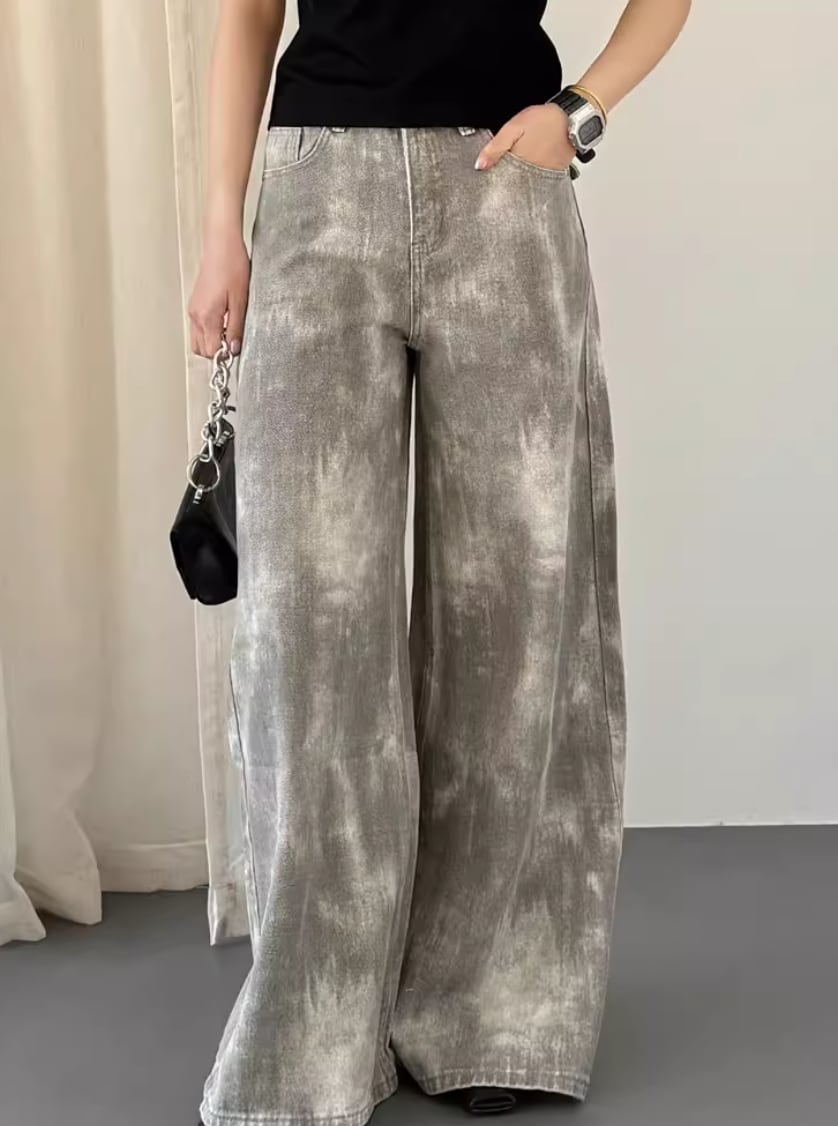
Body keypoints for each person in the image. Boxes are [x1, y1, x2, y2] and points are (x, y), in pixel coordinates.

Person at [188, 2, 691, 1124]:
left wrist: (581, 109)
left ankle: (493, 1009)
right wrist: (223, 224)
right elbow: (248, 16)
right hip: (317, 193)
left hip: (504, 189)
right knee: (310, 635)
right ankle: (313, 1023)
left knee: (514, 611)